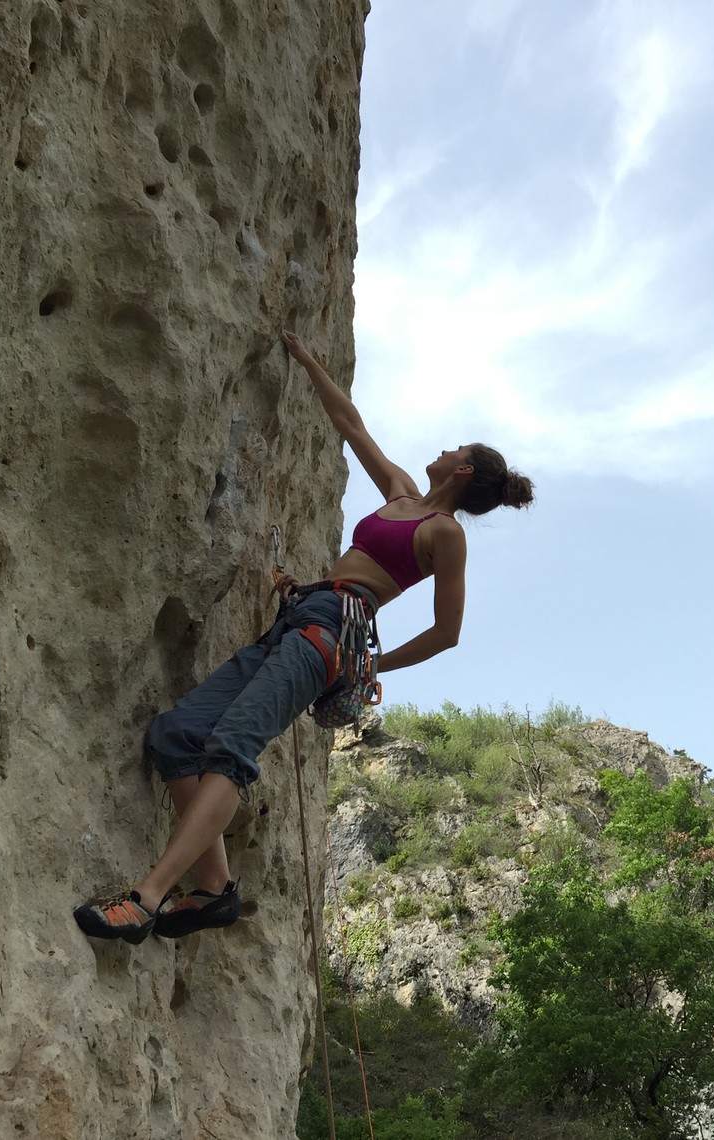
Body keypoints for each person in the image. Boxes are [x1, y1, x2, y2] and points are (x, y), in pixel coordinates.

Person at [74, 329, 534, 943]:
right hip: (304, 615)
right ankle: (213, 889)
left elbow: (447, 632)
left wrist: (372, 666)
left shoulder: (445, 533)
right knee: (176, 734)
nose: (444, 448)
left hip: (332, 634)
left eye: (455, 448)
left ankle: (146, 899)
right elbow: (351, 425)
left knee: (232, 748)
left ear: (464, 469)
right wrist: (308, 358)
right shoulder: (401, 493)